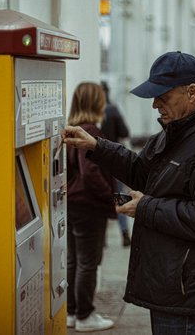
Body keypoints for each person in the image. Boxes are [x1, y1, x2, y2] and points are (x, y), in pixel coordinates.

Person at [62, 51, 195, 335]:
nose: (154, 104)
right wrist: (97, 147)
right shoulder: (176, 131)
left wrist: (145, 208)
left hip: (186, 290)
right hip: (170, 280)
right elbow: (141, 172)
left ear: (191, 92)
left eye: (162, 96)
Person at [66, 82, 116, 332]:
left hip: (73, 204)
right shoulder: (91, 132)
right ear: (96, 102)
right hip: (89, 206)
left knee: (74, 260)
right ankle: (85, 315)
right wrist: (113, 199)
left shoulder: (72, 130)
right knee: (88, 262)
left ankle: (72, 312)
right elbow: (91, 173)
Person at [100, 81, 132, 247]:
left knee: (102, 196)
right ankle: (125, 233)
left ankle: (102, 237)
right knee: (120, 197)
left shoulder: (92, 113)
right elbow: (125, 132)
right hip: (114, 161)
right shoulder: (112, 110)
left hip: (97, 163)